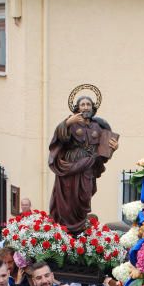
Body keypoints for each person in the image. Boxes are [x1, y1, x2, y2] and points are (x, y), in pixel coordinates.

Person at [48, 95, 118, 234]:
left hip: (89, 166)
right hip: (71, 167)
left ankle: (80, 226)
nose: (86, 107)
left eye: (88, 104)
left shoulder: (97, 126)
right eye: (82, 104)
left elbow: (103, 151)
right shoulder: (70, 123)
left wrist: (113, 148)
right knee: (69, 197)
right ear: (77, 108)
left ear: (93, 108)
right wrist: (67, 123)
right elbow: (59, 138)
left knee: (85, 196)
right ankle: (68, 229)